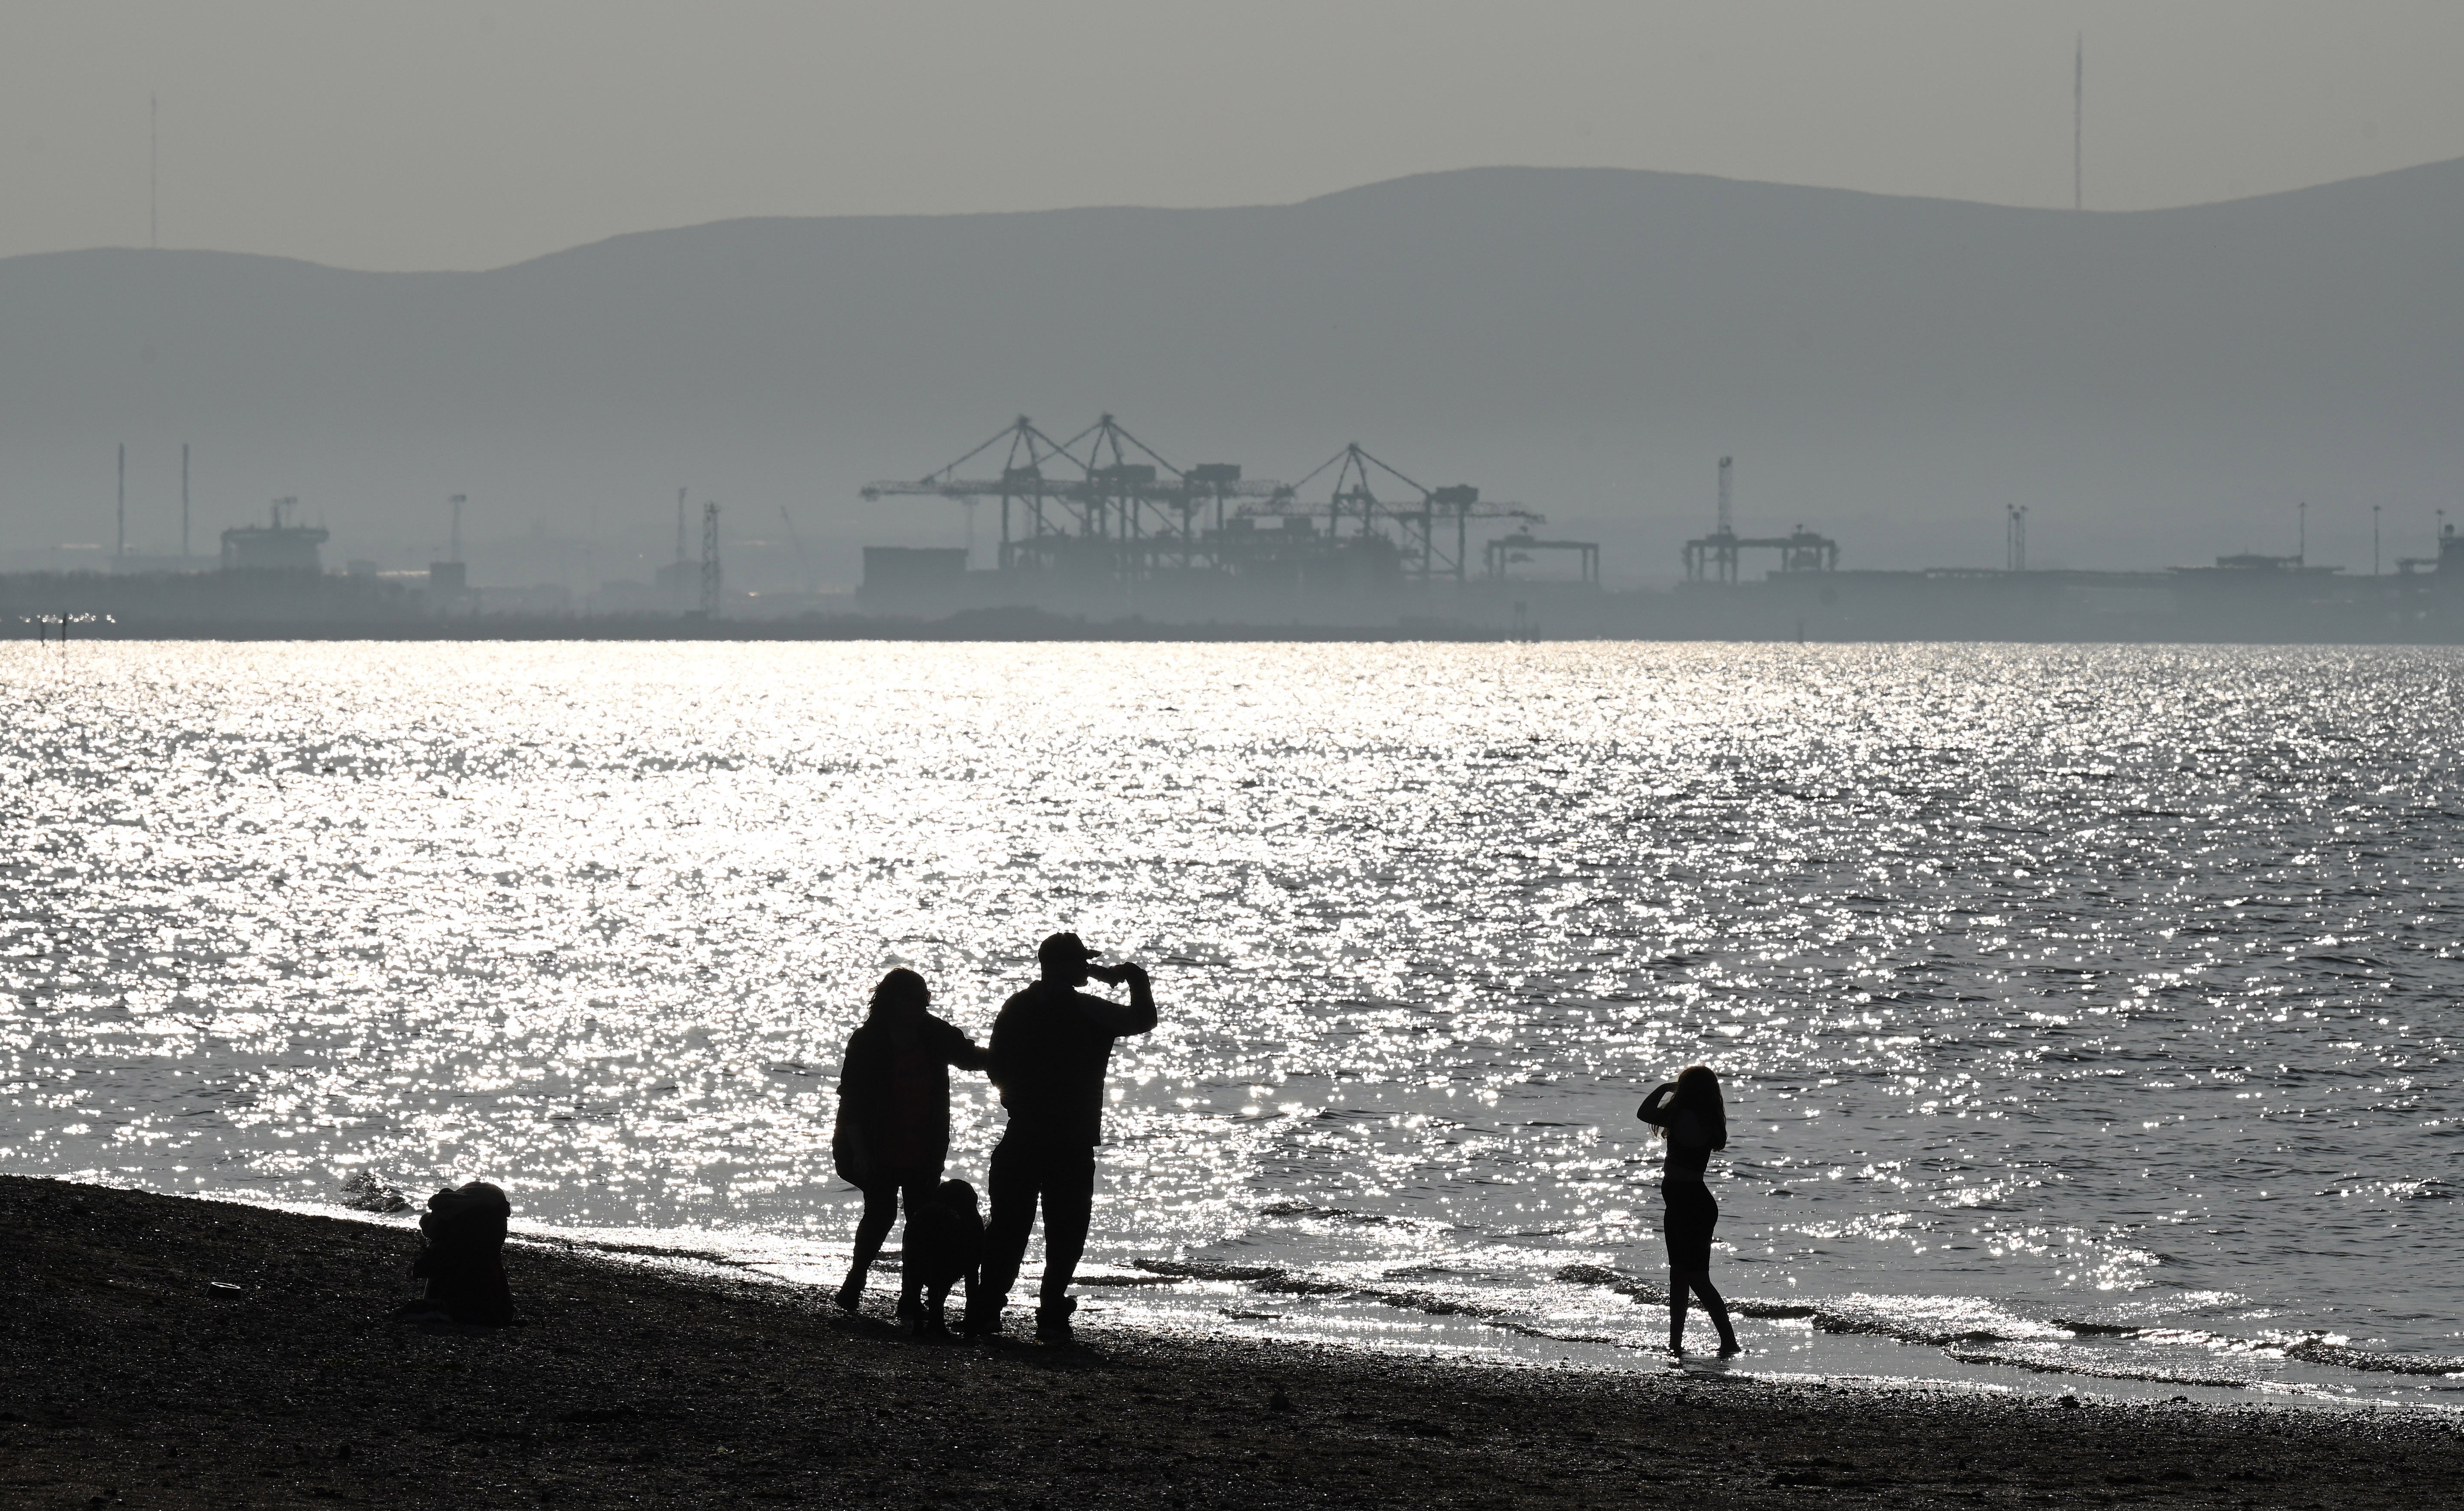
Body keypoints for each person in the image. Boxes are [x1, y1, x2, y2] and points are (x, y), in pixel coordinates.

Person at [964, 932, 1156, 1343]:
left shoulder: (1016, 1006)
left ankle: (987, 1308)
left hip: (1023, 1131)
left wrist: (1019, 1102)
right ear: (1068, 966)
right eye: (1083, 963)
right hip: (1070, 1138)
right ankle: (1051, 1309)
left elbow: (996, 1067)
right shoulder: (1087, 1009)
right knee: (1067, 1230)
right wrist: (1137, 980)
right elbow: (1143, 1020)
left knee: (1008, 1228)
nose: (1088, 968)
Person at [832, 967, 991, 1319]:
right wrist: (859, 1152)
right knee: (882, 1209)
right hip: (872, 1143)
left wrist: (1007, 1058)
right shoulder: (868, 1040)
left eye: (925, 1000)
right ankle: (856, 1279)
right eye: (915, 1001)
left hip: (923, 1143)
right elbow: (852, 1102)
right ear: (892, 1002)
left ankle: (909, 1298)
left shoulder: (933, 1032)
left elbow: (970, 1057)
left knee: (921, 1219)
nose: (922, 1007)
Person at [1637, 1065, 1740, 1358]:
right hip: (1691, 1202)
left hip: (1688, 1203)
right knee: (1681, 1276)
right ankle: (1676, 1344)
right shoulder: (1709, 1119)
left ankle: (1729, 1341)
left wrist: (1665, 1088)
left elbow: (1644, 1112)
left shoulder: (1682, 1116)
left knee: (1694, 1278)